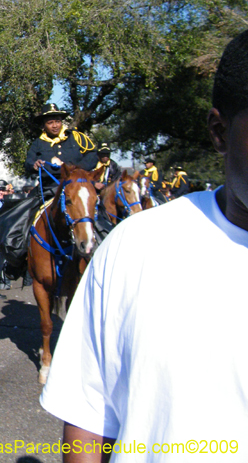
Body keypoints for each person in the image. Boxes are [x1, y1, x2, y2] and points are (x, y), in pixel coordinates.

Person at [40, 30, 248, 461]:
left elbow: (95, 160)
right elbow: (31, 164)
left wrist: (79, 168)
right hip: (51, 186)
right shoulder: (41, 144)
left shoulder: (79, 142)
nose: (54, 125)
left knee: (87, 201)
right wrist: (48, 165)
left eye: (58, 120)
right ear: (220, 131)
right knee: (31, 212)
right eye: (51, 121)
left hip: (78, 183)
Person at [25, 104, 97, 197]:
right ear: (43, 125)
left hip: (77, 185)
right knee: (26, 208)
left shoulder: (76, 137)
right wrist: (34, 165)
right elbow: (28, 162)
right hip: (48, 189)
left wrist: (78, 168)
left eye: (57, 122)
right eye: (50, 123)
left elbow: (93, 155)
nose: (55, 126)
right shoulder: (38, 143)